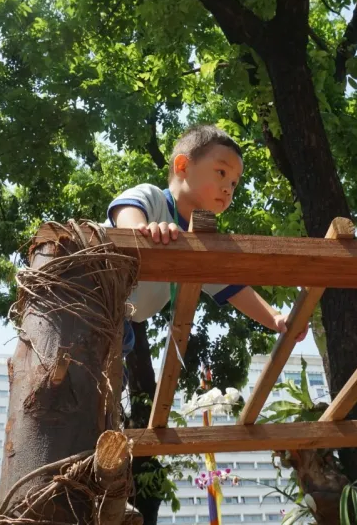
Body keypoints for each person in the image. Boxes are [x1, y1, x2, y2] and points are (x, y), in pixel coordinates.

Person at [105, 124, 309, 387]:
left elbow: (233, 288)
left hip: (120, 324)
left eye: (234, 183)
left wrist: (275, 318)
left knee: (106, 388)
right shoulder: (154, 200)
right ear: (182, 167)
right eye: (221, 172)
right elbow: (125, 212)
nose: (228, 188)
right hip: (87, 291)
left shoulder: (199, 244)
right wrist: (143, 231)